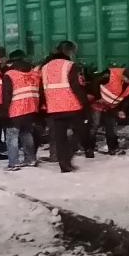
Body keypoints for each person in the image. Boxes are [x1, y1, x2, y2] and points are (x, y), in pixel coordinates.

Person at [41, 41, 91, 173]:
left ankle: (64, 165)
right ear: (68, 52)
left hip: (53, 108)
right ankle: (73, 153)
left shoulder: (45, 67)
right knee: (81, 131)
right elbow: (77, 87)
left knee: (60, 138)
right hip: (71, 106)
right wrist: (85, 104)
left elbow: (42, 89)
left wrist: (44, 105)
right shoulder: (70, 66)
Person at [3, 51, 41, 170]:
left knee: (12, 137)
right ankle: (30, 159)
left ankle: (13, 162)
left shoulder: (10, 74)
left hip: (15, 110)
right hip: (31, 109)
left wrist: (4, 113)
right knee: (27, 133)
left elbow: (6, 95)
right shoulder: (34, 74)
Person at [89, 64, 129, 155]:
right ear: (123, 75)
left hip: (111, 107)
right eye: (127, 79)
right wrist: (98, 97)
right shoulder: (110, 74)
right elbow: (95, 81)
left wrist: (121, 110)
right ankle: (89, 149)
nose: (128, 81)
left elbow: (125, 99)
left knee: (111, 127)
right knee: (94, 125)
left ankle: (113, 148)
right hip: (98, 104)